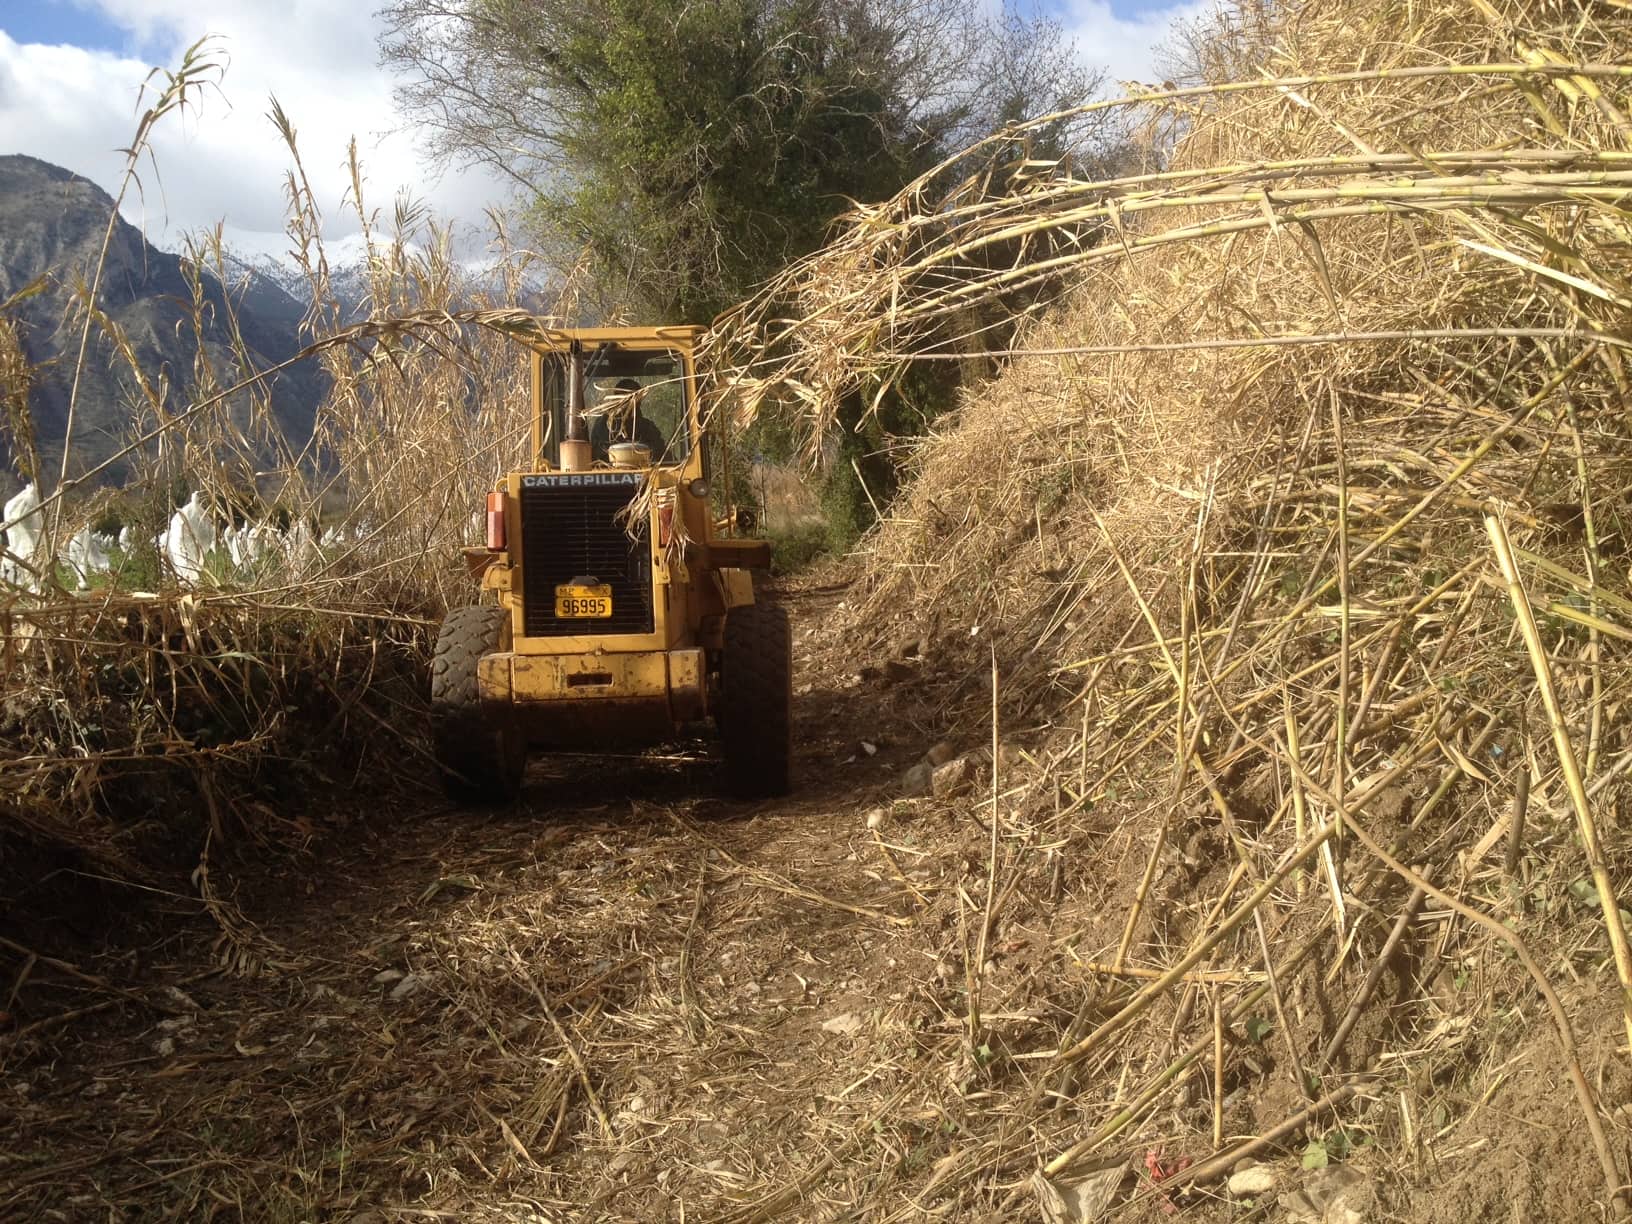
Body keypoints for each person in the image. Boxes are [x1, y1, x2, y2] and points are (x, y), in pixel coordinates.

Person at [590, 378, 667, 462]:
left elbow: (662, 457)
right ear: (616, 400)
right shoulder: (602, 426)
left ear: (639, 400)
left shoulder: (648, 429)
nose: (629, 403)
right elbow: (594, 456)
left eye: (633, 398)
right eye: (625, 397)